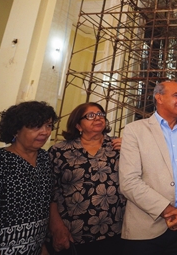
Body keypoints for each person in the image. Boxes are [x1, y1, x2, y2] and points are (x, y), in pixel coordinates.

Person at [120, 80, 177, 255]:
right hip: (146, 228)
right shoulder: (135, 130)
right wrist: (169, 211)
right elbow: (129, 181)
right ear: (159, 98)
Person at [0, 101, 57, 255]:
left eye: (48, 125)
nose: (45, 132)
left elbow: (44, 207)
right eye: (36, 126)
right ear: (16, 130)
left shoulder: (45, 159)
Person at [48, 102, 126, 255]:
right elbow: (51, 193)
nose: (97, 118)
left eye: (100, 114)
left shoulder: (117, 146)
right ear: (78, 125)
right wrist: (57, 227)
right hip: (73, 233)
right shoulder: (60, 151)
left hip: (114, 230)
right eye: (90, 116)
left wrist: (131, 148)